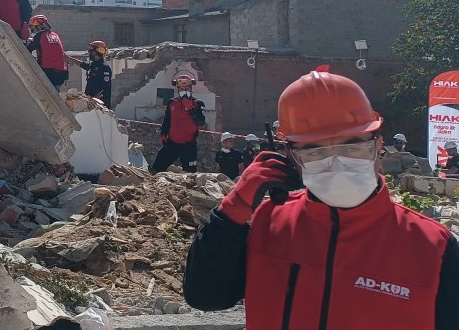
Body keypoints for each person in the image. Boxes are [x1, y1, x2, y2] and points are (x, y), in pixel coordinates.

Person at [183, 67, 459, 329]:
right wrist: (235, 209)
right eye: (315, 152)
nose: (336, 163)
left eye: (351, 145)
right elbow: (205, 296)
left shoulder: (433, 248)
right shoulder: (268, 224)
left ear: (377, 145)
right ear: (292, 158)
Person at [152, 74, 206, 172]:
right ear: (177, 88)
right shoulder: (172, 102)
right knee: (156, 169)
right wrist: (163, 133)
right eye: (181, 88)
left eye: (186, 87)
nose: (184, 90)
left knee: (190, 174)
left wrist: (191, 110)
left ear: (191, 88)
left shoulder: (198, 103)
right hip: (172, 143)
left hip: (189, 145)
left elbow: (201, 122)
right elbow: (167, 119)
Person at [26, 15, 69, 90]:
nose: (32, 31)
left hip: (48, 72)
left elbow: (27, 50)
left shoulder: (39, 36)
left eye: (33, 28)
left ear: (39, 27)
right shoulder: (55, 35)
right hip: (61, 73)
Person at [74, 40, 113, 107]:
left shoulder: (105, 67)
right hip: (90, 101)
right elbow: (82, 64)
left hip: (100, 104)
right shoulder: (92, 65)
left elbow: (104, 88)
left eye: (90, 51)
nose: (89, 53)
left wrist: (93, 100)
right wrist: (68, 58)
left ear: (95, 52)